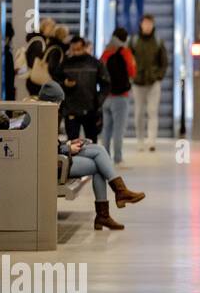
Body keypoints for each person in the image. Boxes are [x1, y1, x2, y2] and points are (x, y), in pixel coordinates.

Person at [36, 81, 145, 230]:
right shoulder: (42, 118)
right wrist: (67, 149)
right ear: (52, 101)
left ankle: (115, 200)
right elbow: (44, 149)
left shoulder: (42, 115)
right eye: (59, 102)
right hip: (55, 163)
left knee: (99, 151)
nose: (60, 106)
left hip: (59, 157)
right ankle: (110, 206)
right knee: (99, 165)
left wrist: (67, 144)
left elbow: (49, 145)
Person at [57, 35, 109, 140]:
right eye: (73, 49)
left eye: (78, 49)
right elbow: (57, 81)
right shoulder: (65, 64)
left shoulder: (95, 63)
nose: (76, 52)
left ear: (84, 47)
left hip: (90, 108)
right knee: (72, 144)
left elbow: (106, 84)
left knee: (91, 141)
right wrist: (64, 84)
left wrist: (98, 101)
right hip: (71, 108)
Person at [129, 14, 168, 151]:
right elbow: (128, 59)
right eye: (145, 23)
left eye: (150, 23)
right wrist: (131, 76)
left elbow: (164, 62)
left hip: (153, 82)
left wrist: (159, 76)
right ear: (141, 24)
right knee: (139, 112)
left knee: (152, 111)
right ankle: (140, 140)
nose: (147, 26)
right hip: (137, 82)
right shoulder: (133, 41)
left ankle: (151, 141)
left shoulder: (158, 41)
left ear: (153, 25)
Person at [100, 27, 136, 164]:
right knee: (118, 130)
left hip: (106, 96)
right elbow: (132, 72)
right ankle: (118, 158)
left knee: (106, 129)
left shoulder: (106, 52)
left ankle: (104, 158)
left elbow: (100, 72)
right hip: (121, 96)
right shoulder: (125, 52)